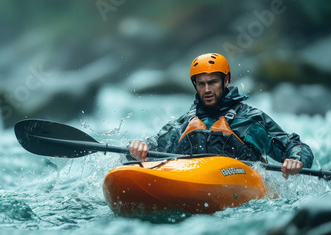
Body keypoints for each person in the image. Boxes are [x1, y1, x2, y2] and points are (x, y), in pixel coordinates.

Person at [129, 53, 314, 179]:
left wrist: (296, 160)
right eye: (201, 84)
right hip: (192, 183)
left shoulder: (251, 120)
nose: (207, 89)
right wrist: (139, 149)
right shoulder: (184, 123)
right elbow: (152, 146)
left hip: (243, 189)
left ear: (226, 80)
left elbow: (296, 147)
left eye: (213, 82)